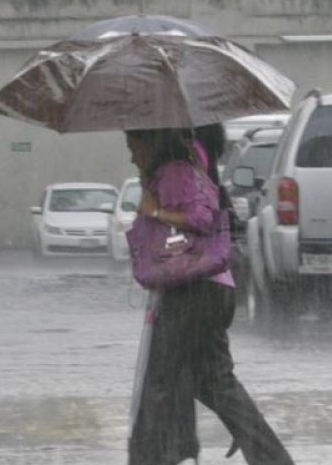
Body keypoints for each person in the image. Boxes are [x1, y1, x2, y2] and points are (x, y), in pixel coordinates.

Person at [125, 128, 295, 465]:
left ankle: (149, 459)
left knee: (159, 380)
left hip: (193, 290)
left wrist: (154, 211)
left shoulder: (176, 170)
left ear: (151, 142)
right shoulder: (187, 165)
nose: (131, 155)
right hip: (214, 288)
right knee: (213, 382)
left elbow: (200, 219)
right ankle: (270, 458)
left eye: (133, 146)